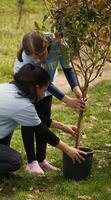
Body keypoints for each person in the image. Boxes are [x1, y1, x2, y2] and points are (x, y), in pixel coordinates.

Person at [13, 31, 85, 174]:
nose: (39, 60)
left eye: (42, 54)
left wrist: (75, 88)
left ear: (47, 45)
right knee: (30, 121)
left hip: (45, 87)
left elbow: (67, 68)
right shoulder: (26, 58)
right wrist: (66, 100)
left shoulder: (60, 46)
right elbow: (40, 80)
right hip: (30, 86)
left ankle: (41, 159)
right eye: (36, 57)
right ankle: (31, 162)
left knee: (44, 115)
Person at [0, 64, 86, 177]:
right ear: (37, 87)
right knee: (15, 160)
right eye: (45, 89)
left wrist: (64, 127)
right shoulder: (21, 104)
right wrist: (68, 149)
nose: (44, 93)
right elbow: (42, 131)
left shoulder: (9, 88)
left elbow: (36, 119)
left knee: (8, 124)